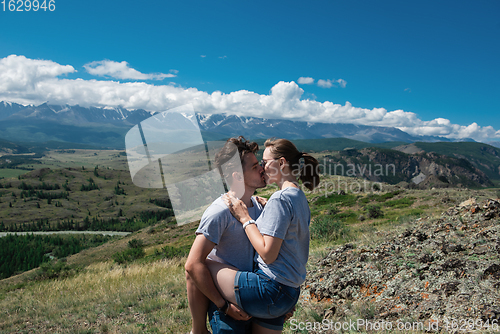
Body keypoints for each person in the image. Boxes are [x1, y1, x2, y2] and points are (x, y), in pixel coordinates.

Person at [211, 138, 320, 333]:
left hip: (269, 290)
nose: (262, 167)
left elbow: (268, 254)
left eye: (265, 162)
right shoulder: (298, 196)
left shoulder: (280, 199)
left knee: (203, 264)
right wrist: (270, 205)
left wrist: (245, 219)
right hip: (290, 292)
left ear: (282, 163)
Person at [185, 136, 267, 334]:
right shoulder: (220, 211)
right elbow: (193, 264)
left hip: (254, 298)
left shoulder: (259, 206)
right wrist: (224, 306)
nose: (262, 169)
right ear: (237, 176)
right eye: (255, 166)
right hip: (227, 307)